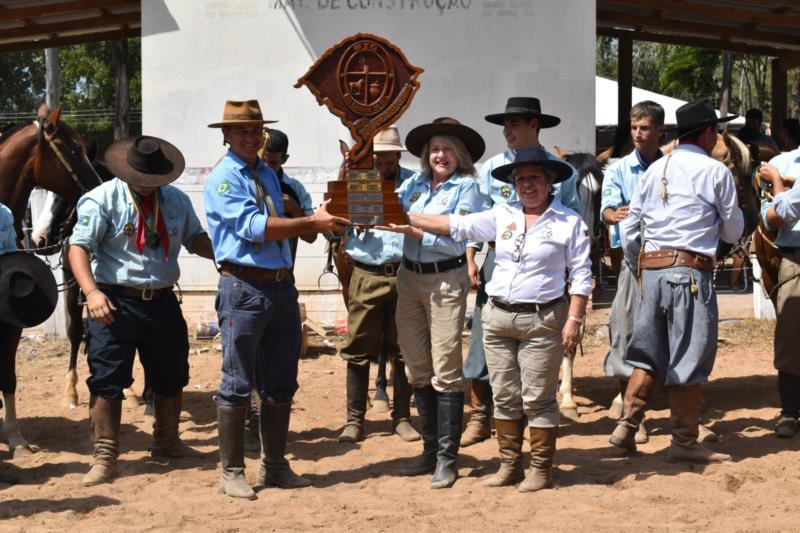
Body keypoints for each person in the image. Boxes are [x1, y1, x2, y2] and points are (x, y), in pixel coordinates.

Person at [393, 146, 591, 491]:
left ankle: (541, 468)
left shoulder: (568, 222)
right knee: (503, 394)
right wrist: (404, 216)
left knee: (538, 397)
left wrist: (574, 320)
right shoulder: (502, 215)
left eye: (534, 178)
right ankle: (510, 465)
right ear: (513, 184)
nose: (527, 185)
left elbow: (582, 275)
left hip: (542, 318)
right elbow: (456, 225)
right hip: (498, 317)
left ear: (549, 183)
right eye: (520, 179)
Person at [204, 99, 349, 499]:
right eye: (242, 131)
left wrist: (310, 218)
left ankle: (275, 465)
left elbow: (290, 225)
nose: (251, 137)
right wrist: (311, 221)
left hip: (280, 287)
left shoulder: (267, 174)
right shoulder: (224, 179)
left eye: (256, 131)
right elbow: (254, 228)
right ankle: (232, 470)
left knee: (283, 380)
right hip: (244, 287)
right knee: (237, 380)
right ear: (226, 136)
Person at [68, 135, 216, 486]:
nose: (150, 188)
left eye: (156, 182)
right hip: (114, 302)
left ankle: (167, 442)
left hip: (162, 301)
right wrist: (91, 293)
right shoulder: (101, 200)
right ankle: (105, 456)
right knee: (107, 377)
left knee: (172, 371)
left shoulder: (177, 200)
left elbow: (195, 239)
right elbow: (78, 248)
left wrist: (225, 251)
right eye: (144, 181)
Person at [611, 99, 744, 463]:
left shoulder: (656, 169)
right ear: (705, 133)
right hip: (689, 272)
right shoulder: (715, 172)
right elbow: (733, 229)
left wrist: (639, 264)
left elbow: (628, 228)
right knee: (688, 354)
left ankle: (627, 424)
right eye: (715, 130)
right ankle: (684, 441)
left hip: (651, 270)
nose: (717, 136)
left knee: (649, 352)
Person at [461, 97, 580, 447]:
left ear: (535, 126)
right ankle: (480, 416)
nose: (507, 131)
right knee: (486, 337)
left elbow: (574, 218)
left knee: (540, 338)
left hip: (546, 264)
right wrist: (471, 258)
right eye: (505, 125)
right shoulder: (492, 167)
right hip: (499, 259)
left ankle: (533, 417)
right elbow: (475, 217)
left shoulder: (561, 170)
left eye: (515, 124)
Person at [384, 117, 484, 489]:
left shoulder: (468, 188)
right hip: (409, 278)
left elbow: (454, 235)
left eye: (448, 149)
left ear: (460, 155)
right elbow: (387, 205)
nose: (440, 155)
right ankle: (430, 451)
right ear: (427, 155)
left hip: (445, 278)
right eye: (435, 149)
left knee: (446, 367)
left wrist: (409, 225)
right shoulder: (414, 183)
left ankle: (447, 458)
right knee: (417, 367)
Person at [337, 126, 418, 444]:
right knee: (357, 349)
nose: (382, 160)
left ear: (398, 155)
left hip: (405, 273)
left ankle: (402, 417)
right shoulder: (356, 180)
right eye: (377, 155)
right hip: (367, 273)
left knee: (403, 350)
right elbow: (335, 215)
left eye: (388, 155)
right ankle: (355, 420)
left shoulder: (413, 182)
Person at [600, 101, 664, 443]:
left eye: (644, 128)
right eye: (634, 128)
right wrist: (614, 215)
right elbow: (608, 210)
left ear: (659, 132)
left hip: (669, 259)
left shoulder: (670, 167)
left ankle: (690, 415)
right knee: (624, 329)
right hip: (633, 261)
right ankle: (632, 416)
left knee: (677, 332)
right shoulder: (619, 169)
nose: (637, 134)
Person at [756, 143, 800, 438]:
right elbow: (765, 214)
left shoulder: (778, 167)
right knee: (790, 336)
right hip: (795, 256)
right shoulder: (782, 160)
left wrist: (779, 183)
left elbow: (778, 213)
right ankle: (790, 410)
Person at [259, 128, 316, 265]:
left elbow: (311, 237)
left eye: (273, 163)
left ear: (284, 159)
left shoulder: (295, 189)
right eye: (263, 161)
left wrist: (296, 210)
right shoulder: (245, 183)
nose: (267, 168)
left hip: (284, 277)